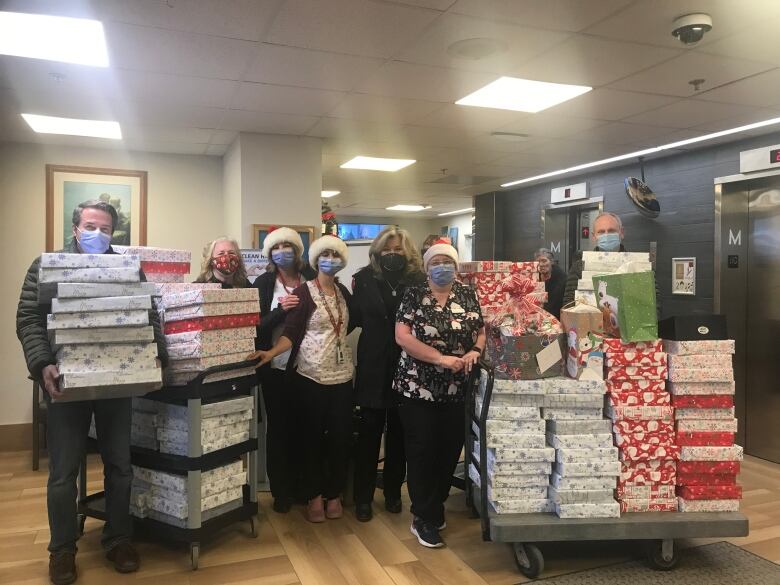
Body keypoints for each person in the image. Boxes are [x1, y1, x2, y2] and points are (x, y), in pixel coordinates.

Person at [16, 200, 168, 585]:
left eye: (105, 228)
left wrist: (156, 359)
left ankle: (118, 538)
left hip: (118, 381)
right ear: (74, 228)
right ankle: (62, 549)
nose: (97, 233)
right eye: (90, 226)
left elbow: (149, 314)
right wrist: (42, 363)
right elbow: (28, 318)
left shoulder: (127, 267)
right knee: (63, 472)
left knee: (120, 464)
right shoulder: (46, 265)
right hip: (65, 382)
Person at [249, 235, 355, 523]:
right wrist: (270, 352)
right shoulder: (293, 289)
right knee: (297, 434)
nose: (330, 260)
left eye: (335, 255)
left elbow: (353, 321)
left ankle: (331, 492)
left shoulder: (343, 291)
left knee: (337, 438)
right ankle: (303, 494)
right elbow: (290, 332)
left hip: (342, 375)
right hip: (306, 374)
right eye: (325, 254)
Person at [394, 239, 485, 548]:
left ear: (456, 266)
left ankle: (435, 505)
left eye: (447, 262)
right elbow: (402, 336)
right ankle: (423, 516)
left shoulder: (468, 294)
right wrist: (439, 358)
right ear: (426, 267)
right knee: (422, 452)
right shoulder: (414, 294)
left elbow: (482, 329)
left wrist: (475, 350)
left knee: (449, 451)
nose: (441, 267)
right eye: (435, 263)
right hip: (417, 388)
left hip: (457, 389)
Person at [351, 227, 426, 522]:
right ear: (377, 252)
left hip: (408, 364)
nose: (392, 254)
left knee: (399, 433)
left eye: (398, 250)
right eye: (387, 249)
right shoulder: (363, 279)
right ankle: (363, 497)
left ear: (407, 253)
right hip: (372, 363)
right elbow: (352, 317)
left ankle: (393, 491)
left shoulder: (419, 281)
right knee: (369, 433)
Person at [250, 227, 316, 513]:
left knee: (306, 428)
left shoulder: (312, 278)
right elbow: (254, 324)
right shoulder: (263, 282)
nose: (282, 252)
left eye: (288, 246)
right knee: (279, 430)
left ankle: (304, 487)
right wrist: (281, 310)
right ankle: (281, 492)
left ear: (298, 251)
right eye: (276, 248)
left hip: (309, 366)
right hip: (274, 365)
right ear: (269, 254)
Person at [562, 212, 661, 317]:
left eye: (611, 231)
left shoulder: (640, 265)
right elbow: (569, 305)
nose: (606, 235)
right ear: (594, 236)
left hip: (631, 330)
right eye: (601, 232)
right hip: (590, 329)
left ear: (621, 232)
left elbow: (655, 304)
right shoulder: (579, 267)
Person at [535, 248, 566, 319]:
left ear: (551, 262)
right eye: (538, 262)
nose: (541, 264)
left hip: (556, 318)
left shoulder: (561, 278)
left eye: (544, 261)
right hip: (537, 317)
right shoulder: (534, 277)